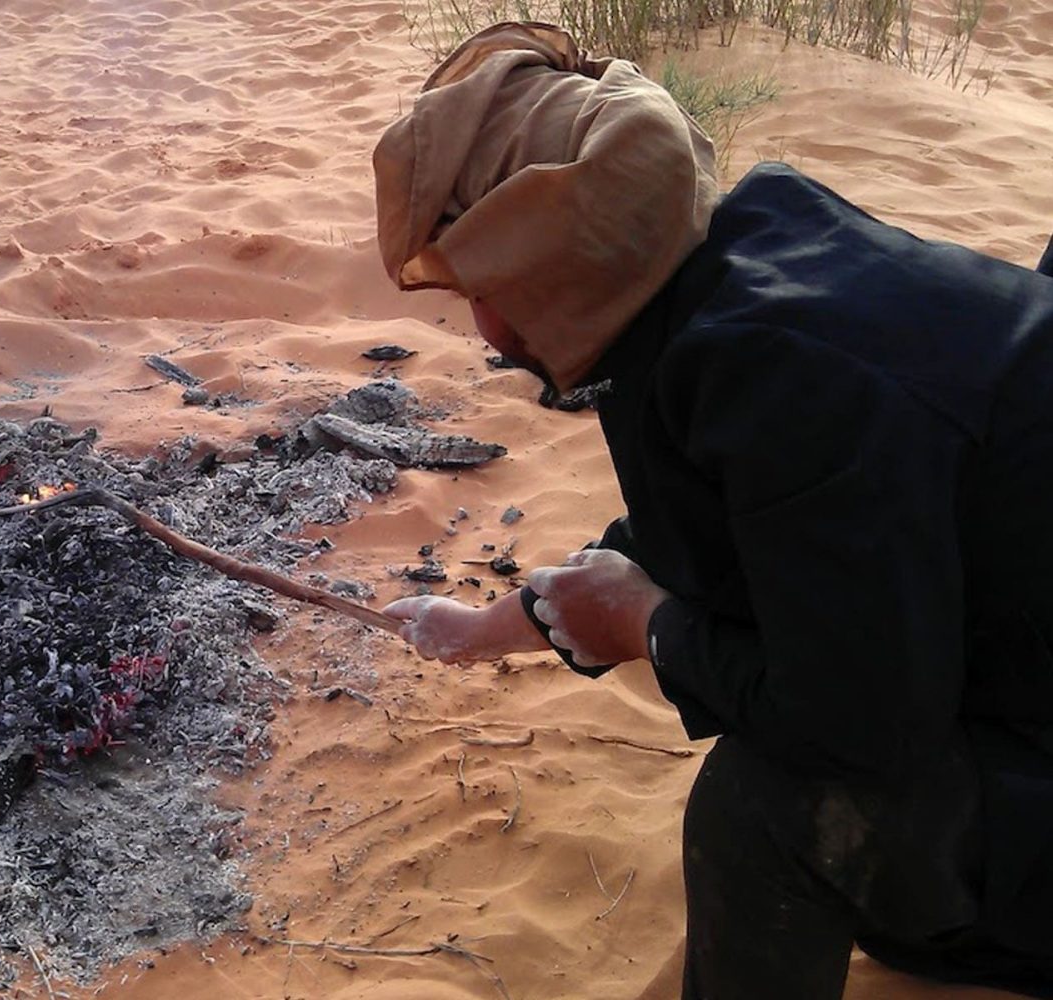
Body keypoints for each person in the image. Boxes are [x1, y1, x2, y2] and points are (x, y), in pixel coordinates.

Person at [373, 21, 1053, 1000]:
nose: (478, 322)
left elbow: (856, 727)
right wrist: (479, 629)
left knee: (768, 812)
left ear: (543, 278)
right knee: (901, 901)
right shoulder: (740, 267)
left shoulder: (779, 386)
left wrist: (651, 628)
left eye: (478, 283)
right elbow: (716, 546)